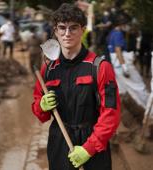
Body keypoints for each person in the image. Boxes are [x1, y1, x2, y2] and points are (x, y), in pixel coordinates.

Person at [32, 3, 120, 170]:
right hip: (59, 142)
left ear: (83, 30)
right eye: (62, 28)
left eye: (73, 28)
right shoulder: (48, 69)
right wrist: (41, 106)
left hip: (92, 143)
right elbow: (41, 115)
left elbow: (111, 114)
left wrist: (89, 148)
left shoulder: (100, 67)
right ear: (55, 31)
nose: (67, 33)